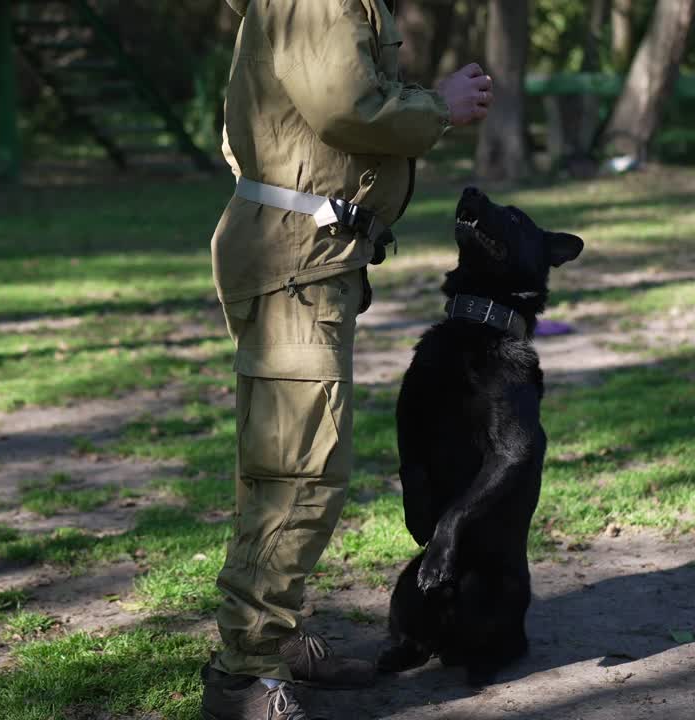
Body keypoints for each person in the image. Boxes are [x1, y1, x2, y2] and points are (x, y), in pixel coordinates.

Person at [203, 0, 492, 717]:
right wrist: (439, 107)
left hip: (304, 256)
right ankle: (246, 674)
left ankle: (275, 635)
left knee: (287, 463)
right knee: (297, 472)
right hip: (292, 260)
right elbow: (345, 107)